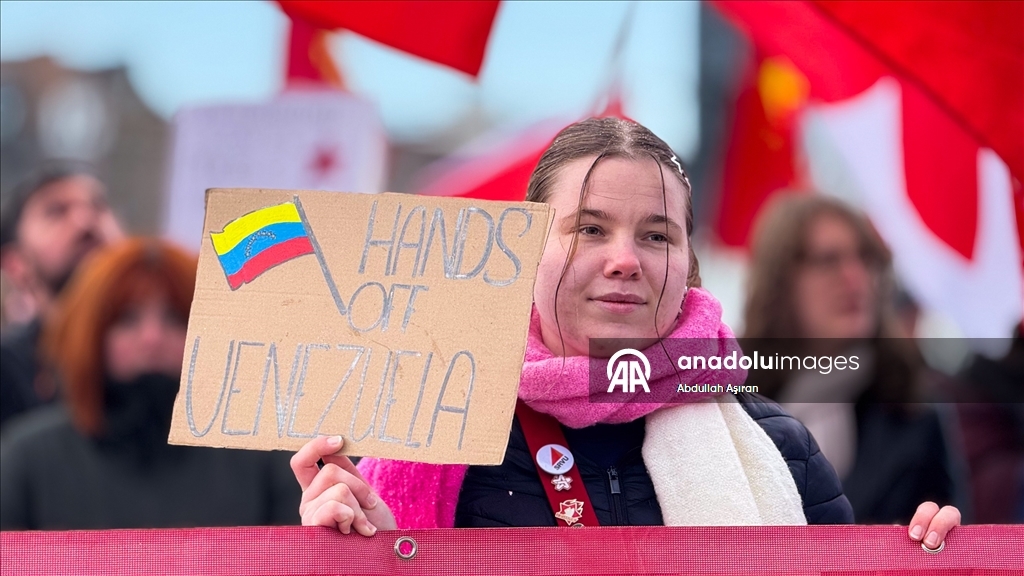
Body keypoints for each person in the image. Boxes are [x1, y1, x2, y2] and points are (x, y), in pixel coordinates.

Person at [289, 118, 959, 549]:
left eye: (656, 235)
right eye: (588, 228)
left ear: (685, 267)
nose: (625, 259)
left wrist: (925, 563)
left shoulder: (778, 447)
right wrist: (357, 552)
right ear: (526, 250)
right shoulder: (429, 433)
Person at [0, 238, 300, 529]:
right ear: (90, 335)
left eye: (174, 318)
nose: (152, 338)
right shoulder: (27, 459)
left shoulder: (262, 458)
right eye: (127, 319)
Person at [741, 192, 966, 526]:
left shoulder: (914, 408)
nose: (854, 277)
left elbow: (958, 546)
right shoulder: (732, 402)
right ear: (781, 280)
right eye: (828, 260)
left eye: (865, 259)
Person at [0, 162, 124, 430]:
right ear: (15, 264)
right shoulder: (8, 373)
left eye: (98, 205)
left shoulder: (175, 354)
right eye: (56, 211)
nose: (86, 221)